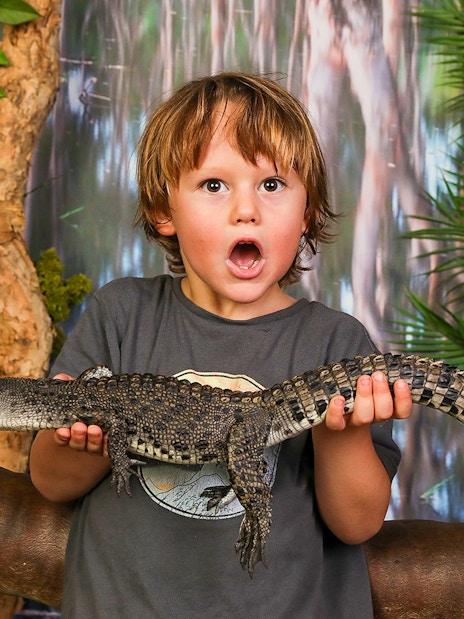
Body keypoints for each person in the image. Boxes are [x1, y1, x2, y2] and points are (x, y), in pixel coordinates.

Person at [29, 72, 412, 618]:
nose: (246, 210)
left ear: (308, 213)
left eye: (272, 185)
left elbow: (357, 523)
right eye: (214, 185)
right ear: (166, 211)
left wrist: (340, 432)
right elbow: (49, 483)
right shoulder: (122, 314)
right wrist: (77, 439)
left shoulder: (336, 343)